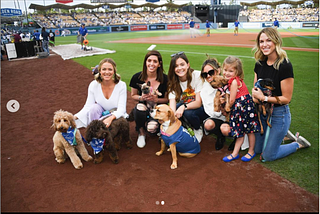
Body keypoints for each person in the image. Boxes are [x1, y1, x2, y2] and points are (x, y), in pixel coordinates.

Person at [251, 27, 310, 162]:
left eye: (268, 40)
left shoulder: (284, 65)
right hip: (263, 113)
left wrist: (264, 98)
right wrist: (255, 96)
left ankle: (297, 143)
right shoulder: (259, 64)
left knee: (268, 156)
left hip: (279, 114)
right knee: (257, 149)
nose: (264, 44)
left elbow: (286, 98)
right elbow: (255, 89)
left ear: (276, 41)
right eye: (261, 41)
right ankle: (283, 135)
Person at [219, 56, 260, 162]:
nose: (227, 73)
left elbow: (232, 100)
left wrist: (227, 106)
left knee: (250, 131)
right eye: (225, 70)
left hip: (244, 109)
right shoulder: (232, 81)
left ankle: (251, 151)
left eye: (230, 71)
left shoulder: (233, 82)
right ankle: (235, 153)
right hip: (241, 109)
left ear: (237, 72)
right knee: (240, 132)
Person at [129, 50, 168, 148]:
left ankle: (154, 126)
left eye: (155, 61)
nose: (151, 64)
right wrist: (141, 97)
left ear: (159, 64)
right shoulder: (136, 77)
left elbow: (167, 99)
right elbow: (133, 95)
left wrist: (156, 100)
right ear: (145, 62)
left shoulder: (165, 79)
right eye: (149, 60)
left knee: (152, 130)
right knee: (139, 108)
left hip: (156, 108)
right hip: (143, 106)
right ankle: (141, 132)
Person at [74, 58, 128, 129]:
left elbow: (121, 109)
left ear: (114, 71)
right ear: (100, 71)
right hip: (101, 113)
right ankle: (94, 132)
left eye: (110, 69)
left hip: (115, 114)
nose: (107, 72)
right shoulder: (93, 85)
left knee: (113, 127)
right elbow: (88, 106)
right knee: (93, 108)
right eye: (104, 69)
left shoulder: (121, 85)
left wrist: (110, 118)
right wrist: (74, 117)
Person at [167, 51, 205, 143]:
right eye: (176, 66)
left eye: (182, 64)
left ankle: (198, 127)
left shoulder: (197, 75)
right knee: (173, 110)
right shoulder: (173, 83)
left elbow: (198, 102)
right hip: (187, 106)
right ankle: (183, 126)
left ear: (188, 65)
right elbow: (172, 104)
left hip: (201, 108)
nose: (179, 68)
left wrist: (183, 107)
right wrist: (172, 119)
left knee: (188, 113)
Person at [199, 56, 233, 150]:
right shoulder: (204, 91)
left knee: (226, 129)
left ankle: (237, 138)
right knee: (208, 124)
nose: (208, 76)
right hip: (217, 118)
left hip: (233, 117)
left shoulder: (229, 83)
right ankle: (220, 135)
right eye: (205, 74)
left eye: (211, 72)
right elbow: (211, 113)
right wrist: (220, 108)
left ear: (218, 71)